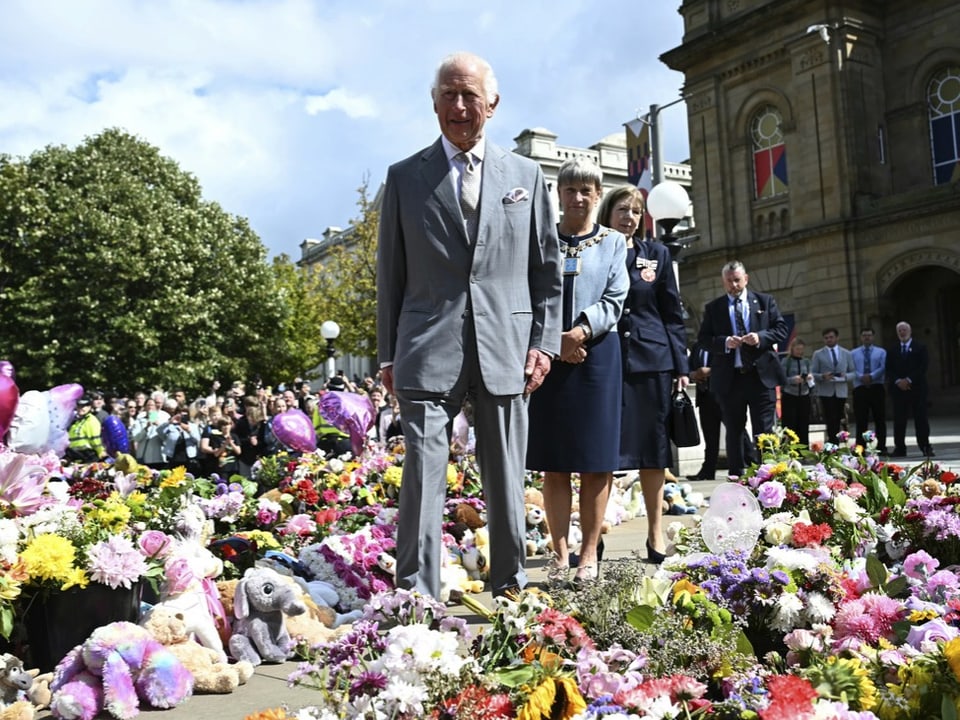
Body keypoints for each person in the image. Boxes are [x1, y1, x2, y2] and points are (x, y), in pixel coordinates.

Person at [376, 51, 562, 600]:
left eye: (470, 95)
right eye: (448, 95)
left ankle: (511, 590)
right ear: (434, 103)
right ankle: (417, 599)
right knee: (423, 478)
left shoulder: (526, 177)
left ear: (492, 104)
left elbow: (546, 270)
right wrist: (388, 355)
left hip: (506, 346)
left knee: (506, 478)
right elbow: (392, 274)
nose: (459, 106)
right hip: (426, 348)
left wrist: (544, 345)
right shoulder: (405, 178)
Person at [526, 158, 628, 585]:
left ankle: (589, 554)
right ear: (559, 194)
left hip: (597, 357)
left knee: (594, 462)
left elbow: (616, 295)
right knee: (554, 463)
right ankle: (559, 553)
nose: (578, 198)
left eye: (587, 189)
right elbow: (530, 292)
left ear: (598, 194)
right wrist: (555, 339)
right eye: (570, 190)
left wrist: (581, 331)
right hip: (548, 358)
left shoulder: (614, 242)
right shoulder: (542, 240)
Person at [598, 185, 688, 564]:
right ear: (608, 213)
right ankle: (594, 534)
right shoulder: (593, 249)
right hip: (606, 361)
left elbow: (672, 312)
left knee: (654, 453)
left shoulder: (657, 254)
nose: (629, 217)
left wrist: (681, 366)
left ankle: (655, 535)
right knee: (601, 453)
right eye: (622, 209)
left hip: (653, 361)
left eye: (636, 211)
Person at [697, 260, 788, 478]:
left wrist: (761, 337)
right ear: (723, 282)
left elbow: (781, 329)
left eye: (737, 280)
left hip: (760, 377)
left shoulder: (765, 301)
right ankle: (736, 476)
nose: (734, 285)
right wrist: (724, 342)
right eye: (729, 281)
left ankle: (768, 475)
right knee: (734, 430)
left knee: (764, 430)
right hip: (730, 378)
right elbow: (703, 339)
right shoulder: (714, 308)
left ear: (745, 279)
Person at [886, 321, 933, 457]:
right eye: (899, 330)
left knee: (921, 419)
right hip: (898, 390)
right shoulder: (892, 349)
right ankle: (900, 447)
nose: (902, 332)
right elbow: (889, 369)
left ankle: (925, 446)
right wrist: (898, 381)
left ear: (910, 331)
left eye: (904, 329)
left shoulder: (920, 347)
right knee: (899, 420)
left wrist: (909, 380)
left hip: (917, 389)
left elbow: (923, 367)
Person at [811, 328, 855, 444]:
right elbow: (813, 373)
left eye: (831, 337)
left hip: (841, 390)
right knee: (830, 418)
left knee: (839, 418)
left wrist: (845, 376)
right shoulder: (818, 354)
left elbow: (854, 373)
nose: (829, 340)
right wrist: (822, 376)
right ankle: (832, 443)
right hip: (826, 390)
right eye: (826, 338)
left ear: (836, 338)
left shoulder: (846, 353)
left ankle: (840, 440)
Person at [851, 327, 888, 453]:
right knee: (861, 419)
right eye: (864, 335)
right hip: (860, 388)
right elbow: (852, 368)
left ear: (873, 337)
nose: (867, 337)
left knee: (880, 418)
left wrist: (872, 376)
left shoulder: (881, 352)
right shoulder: (853, 353)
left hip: (876, 386)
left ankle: (881, 446)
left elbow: (883, 367)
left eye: (869, 335)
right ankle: (860, 447)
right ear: (861, 337)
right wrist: (861, 376)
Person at [780, 336, 814, 446]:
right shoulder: (786, 361)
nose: (800, 352)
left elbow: (812, 379)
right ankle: (789, 449)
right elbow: (781, 378)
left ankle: (804, 450)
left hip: (804, 395)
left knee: (804, 424)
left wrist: (809, 378)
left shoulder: (807, 362)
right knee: (790, 424)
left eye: (801, 349)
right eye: (797, 349)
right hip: (790, 396)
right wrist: (793, 380)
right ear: (792, 349)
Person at [65, 394, 106, 463]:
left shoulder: (91, 420)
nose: (81, 408)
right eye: (79, 406)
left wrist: (100, 451)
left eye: (84, 406)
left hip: (89, 455)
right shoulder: (75, 422)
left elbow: (96, 439)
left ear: (89, 407)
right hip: (75, 455)